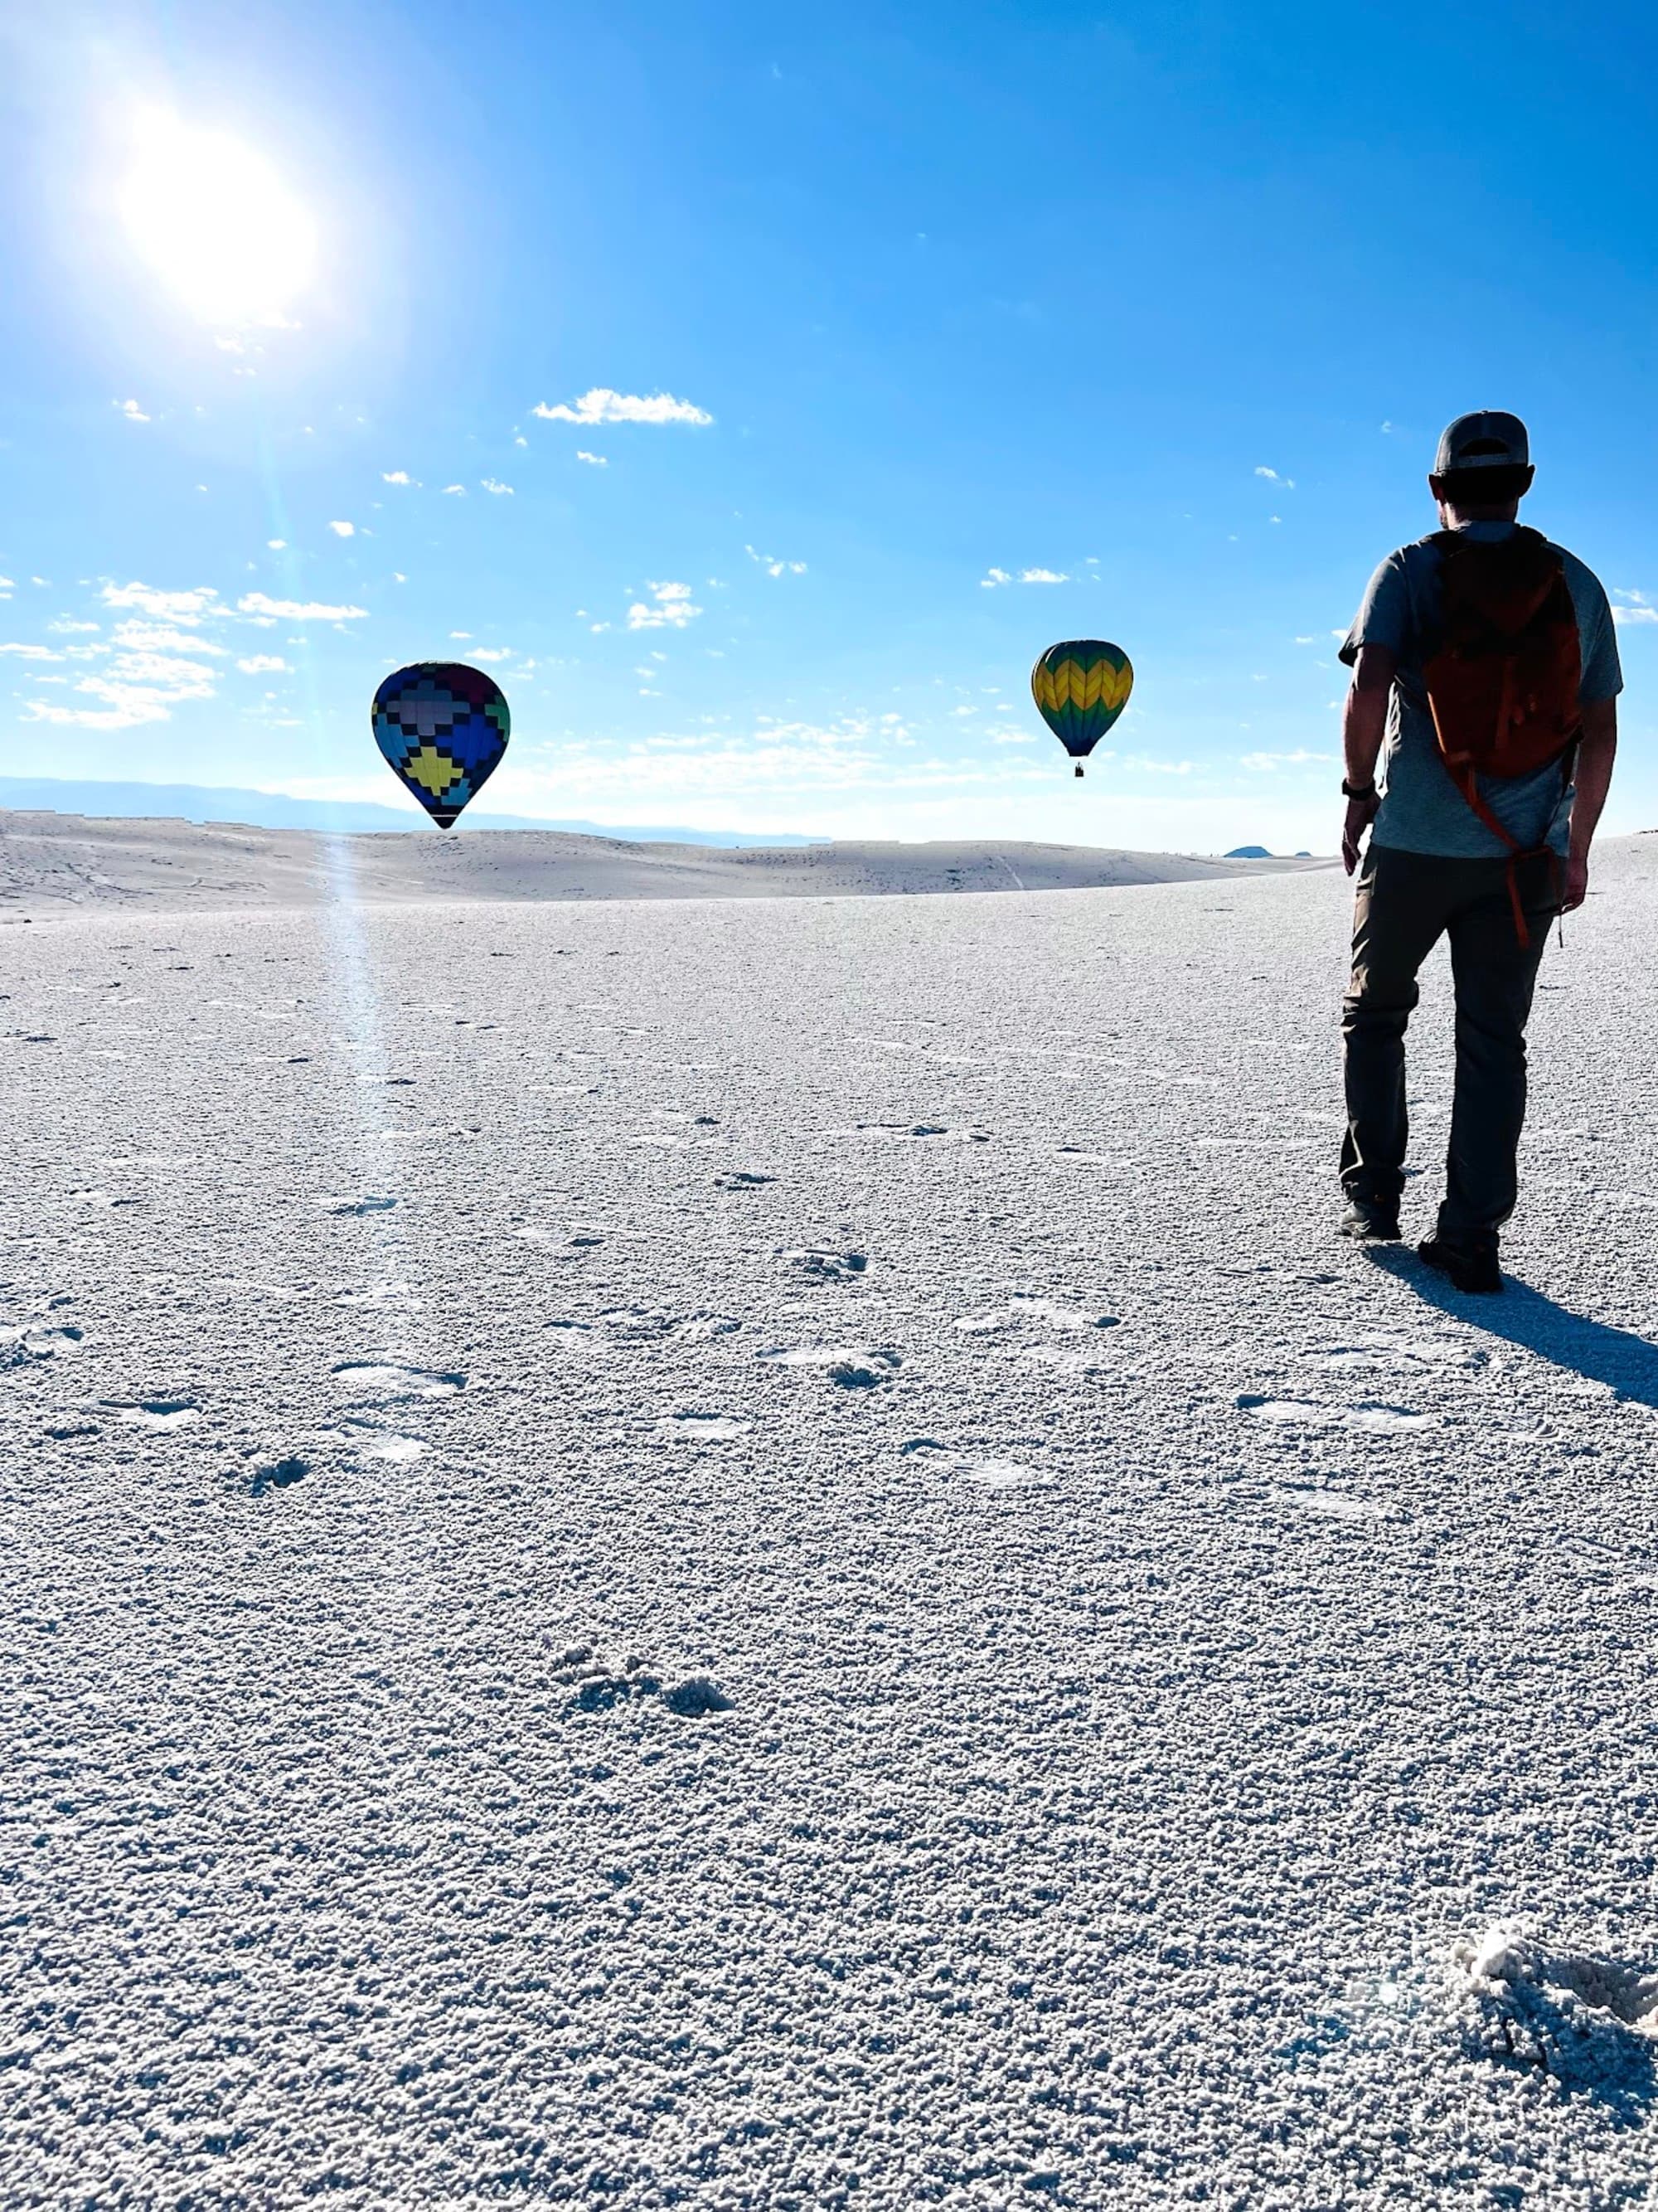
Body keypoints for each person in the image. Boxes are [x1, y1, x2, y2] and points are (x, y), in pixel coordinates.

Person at [1336, 410, 1621, 1293]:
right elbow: (1601, 731)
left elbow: (1367, 686)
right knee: (1493, 1042)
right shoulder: (1573, 581)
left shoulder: (1406, 569)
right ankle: (1471, 1237)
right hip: (1520, 863)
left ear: (1436, 488)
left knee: (1375, 1015)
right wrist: (1574, 847)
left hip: (1412, 845)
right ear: (1524, 484)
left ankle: (1373, 1194)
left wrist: (1357, 793)